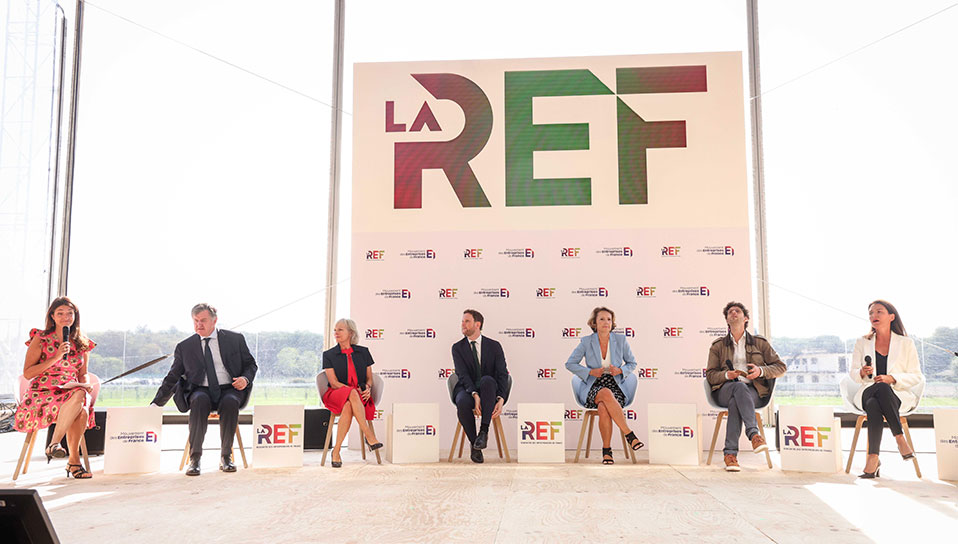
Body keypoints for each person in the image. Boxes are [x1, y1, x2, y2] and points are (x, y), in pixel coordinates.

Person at [151, 303, 257, 476]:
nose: (199, 324)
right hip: (201, 389)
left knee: (230, 402)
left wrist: (245, 379)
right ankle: (195, 459)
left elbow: (251, 365)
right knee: (199, 400)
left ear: (214, 320)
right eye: (196, 320)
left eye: (203, 320)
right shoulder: (185, 346)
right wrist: (157, 404)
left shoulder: (235, 339)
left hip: (229, 388)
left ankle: (226, 457)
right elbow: (173, 376)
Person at [14, 297, 96, 479]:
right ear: (52, 316)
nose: (66, 317)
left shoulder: (82, 343)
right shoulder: (41, 338)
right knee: (80, 409)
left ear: (75, 316)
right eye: (60, 313)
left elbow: (83, 373)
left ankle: (55, 445)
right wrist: (56, 357)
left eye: (70, 313)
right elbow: (28, 373)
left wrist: (85, 384)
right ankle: (73, 462)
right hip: (42, 392)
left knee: (80, 397)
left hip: (71, 390)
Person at [706, 301, 786, 472]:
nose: (733, 313)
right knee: (738, 388)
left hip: (754, 391)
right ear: (727, 320)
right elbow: (710, 375)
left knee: (737, 400)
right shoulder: (718, 346)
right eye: (730, 312)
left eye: (737, 311)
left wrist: (760, 371)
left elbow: (780, 367)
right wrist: (727, 375)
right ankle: (754, 434)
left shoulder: (759, 343)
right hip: (725, 389)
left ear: (746, 318)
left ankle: (730, 455)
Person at [849, 300, 923, 478]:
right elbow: (852, 373)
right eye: (871, 313)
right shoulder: (862, 342)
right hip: (868, 390)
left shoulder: (906, 343)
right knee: (878, 389)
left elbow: (916, 376)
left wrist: (893, 378)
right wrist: (861, 372)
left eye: (879, 312)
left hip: (896, 394)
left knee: (875, 403)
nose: (873, 316)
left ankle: (873, 459)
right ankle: (899, 438)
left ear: (891, 317)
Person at [565, 306, 642, 464]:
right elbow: (570, 364)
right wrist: (590, 372)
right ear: (594, 323)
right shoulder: (586, 342)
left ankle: (607, 452)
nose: (606, 322)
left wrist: (620, 370)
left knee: (603, 406)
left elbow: (632, 363)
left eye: (609, 319)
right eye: (602, 319)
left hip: (616, 385)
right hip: (593, 385)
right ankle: (629, 434)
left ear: (612, 323)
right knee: (605, 393)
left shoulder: (620, 340)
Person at [321, 318, 382, 467]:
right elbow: (333, 382)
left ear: (351, 333)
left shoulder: (363, 352)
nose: (336, 333)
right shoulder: (329, 354)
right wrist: (351, 391)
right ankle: (369, 435)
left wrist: (368, 388)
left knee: (348, 405)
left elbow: (369, 378)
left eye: (340, 330)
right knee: (352, 394)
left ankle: (336, 452)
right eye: (335, 330)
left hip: (358, 397)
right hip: (336, 393)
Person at [451, 309, 509, 463]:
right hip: (467, 389)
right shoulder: (457, 348)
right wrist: (474, 394)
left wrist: (501, 398)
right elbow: (462, 374)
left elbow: (502, 374)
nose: (463, 324)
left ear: (477, 324)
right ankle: (475, 444)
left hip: (489, 391)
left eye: (467, 321)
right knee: (462, 401)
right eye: (462, 321)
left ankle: (483, 431)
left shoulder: (494, 346)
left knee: (488, 380)